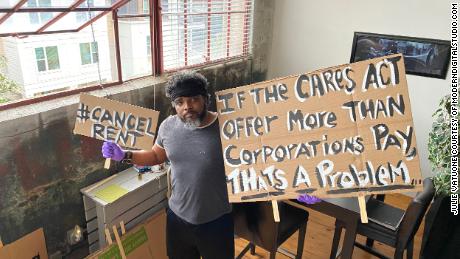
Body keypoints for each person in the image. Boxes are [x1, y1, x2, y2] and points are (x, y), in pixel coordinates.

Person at [101, 71, 320, 259]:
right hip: (177, 218)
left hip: (216, 222)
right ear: (174, 105)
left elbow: (262, 162)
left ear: (206, 99)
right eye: (180, 102)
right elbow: (157, 156)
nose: (187, 107)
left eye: (194, 99)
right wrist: (125, 155)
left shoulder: (228, 127)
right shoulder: (168, 127)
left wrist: (296, 187)